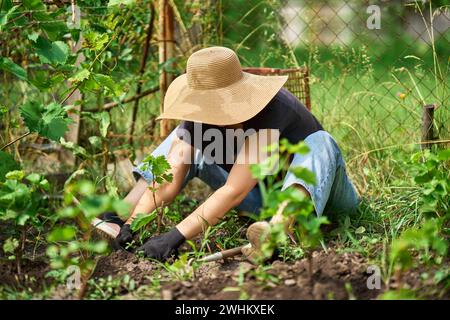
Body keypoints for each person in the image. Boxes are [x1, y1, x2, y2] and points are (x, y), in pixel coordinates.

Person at [93, 46, 359, 262]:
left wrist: (175, 236)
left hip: (322, 200)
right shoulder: (197, 114)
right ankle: (119, 217)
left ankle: (277, 231)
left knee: (320, 142)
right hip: (259, 202)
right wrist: (135, 225)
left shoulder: (272, 108)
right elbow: (169, 178)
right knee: (179, 140)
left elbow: (234, 190)